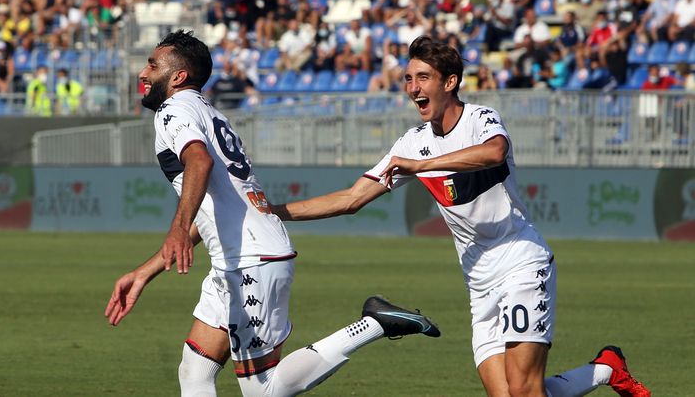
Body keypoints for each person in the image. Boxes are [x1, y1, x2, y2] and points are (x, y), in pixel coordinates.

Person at [271, 36, 651, 397]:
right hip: (478, 282)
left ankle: (606, 368)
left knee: (523, 389)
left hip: (521, 261)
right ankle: (605, 368)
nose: (412, 88)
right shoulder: (412, 142)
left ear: (450, 82)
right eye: (408, 78)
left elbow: (494, 153)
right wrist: (271, 212)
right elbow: (352, 198)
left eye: (423, 78)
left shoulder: (480, 119)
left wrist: (422, 166)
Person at [104, 30, 440, 397]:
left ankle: (374, 323)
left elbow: (197, 162)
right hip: (238, 259)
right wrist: (146, 270)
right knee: (195, 371)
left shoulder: (173, 110)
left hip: (251, 261)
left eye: (152, 65)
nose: (143, 73)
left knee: (262, 390)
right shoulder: (206, 111)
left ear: (178, 77)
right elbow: (214, 205)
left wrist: (178, 228)